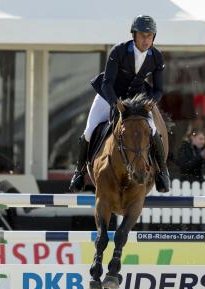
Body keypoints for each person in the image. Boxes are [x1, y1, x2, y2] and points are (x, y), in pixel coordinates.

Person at [69, 15, 170, 193]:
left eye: (149, 35)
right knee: (90, 129)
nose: (146, 40)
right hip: (110, 95)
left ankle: (162, 173)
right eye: (142, 35)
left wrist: (148, 104)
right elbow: (107, 83)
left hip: (137, 100)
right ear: (134, 35)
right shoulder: (119, 51)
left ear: (153, 37)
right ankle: (79, 172)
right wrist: (116, 104)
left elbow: (159, 89)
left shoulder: (156, 57)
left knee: (153, 130)